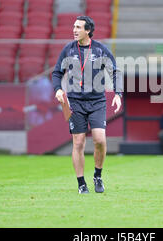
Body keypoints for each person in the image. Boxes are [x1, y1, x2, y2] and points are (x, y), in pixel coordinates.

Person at [52, 16, 123, 194]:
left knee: (99, 140)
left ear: (88, 30)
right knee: (78, 143)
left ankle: (97, 176)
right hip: (75, 102)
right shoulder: (68, 50)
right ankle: (81, 183)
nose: (74, 30)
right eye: (74, 27)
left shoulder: (100, 50)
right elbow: (56, 73)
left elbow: (115, 71)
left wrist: (118, 93)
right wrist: (58, 89)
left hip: (97, 101)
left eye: (78, 27)